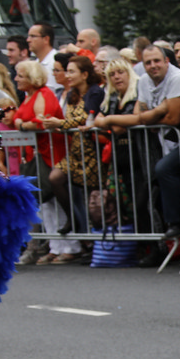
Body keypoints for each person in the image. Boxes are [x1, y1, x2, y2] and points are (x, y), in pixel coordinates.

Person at [95, 45, 180, 241]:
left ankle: (176, 224)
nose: (153, 66)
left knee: (165, 172)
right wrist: (160, 110)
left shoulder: (177, 78)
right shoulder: (144, 81)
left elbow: (172, 119)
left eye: (157, 61)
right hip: (160, 145)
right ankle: (169, 239)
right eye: (148, 62)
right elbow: (140, 117)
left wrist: (147, 117)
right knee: (154, 189)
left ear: (167, 61)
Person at [40, 55, 106, 263]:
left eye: (71, 71)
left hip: (92, 151)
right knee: (55, 178)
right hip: (75, 150)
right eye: (66, 71)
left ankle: (95, 245)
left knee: (92, 197)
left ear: (84, 74)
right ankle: (73, 220)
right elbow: (71, 121)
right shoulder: (72, 94)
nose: (67, 75)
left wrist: (60, 123)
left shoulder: (95, 92)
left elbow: (87, 118)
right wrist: (56, 124)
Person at [12, 58, 69, 266]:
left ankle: (68, 247)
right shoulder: (30, 96)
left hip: (50, 152)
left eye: (20, 75)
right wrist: (21, 123)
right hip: (38, 153)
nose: (16, 79)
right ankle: (55, 246)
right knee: (45, 203)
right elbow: (18, 119)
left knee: (53, 199)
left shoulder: (43, 94)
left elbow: (41, 122)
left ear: (32, 78)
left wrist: (22, 125)